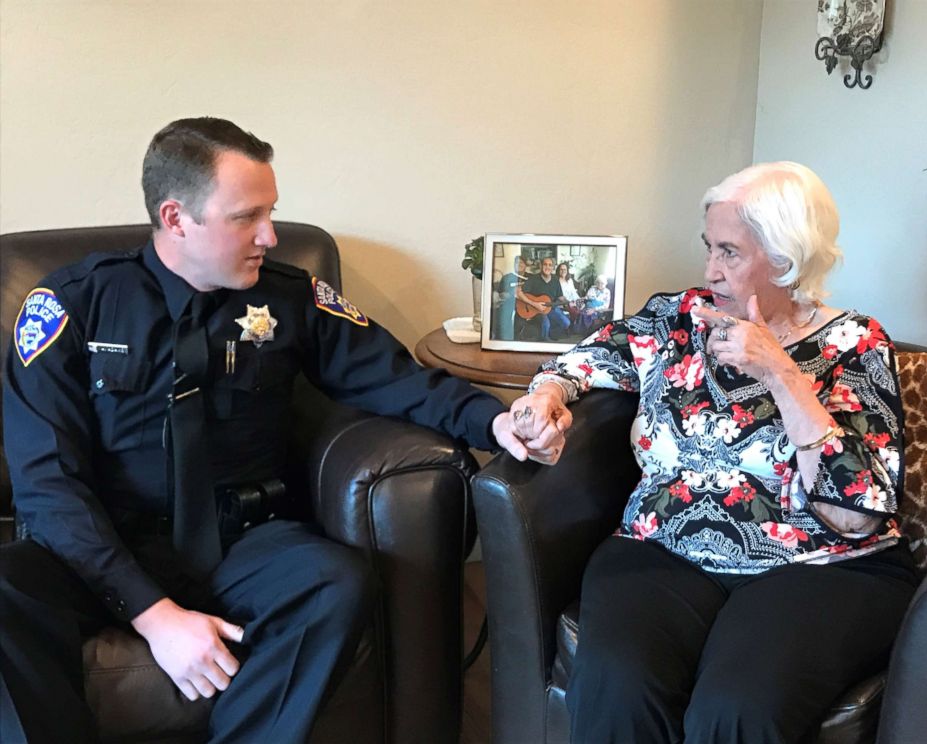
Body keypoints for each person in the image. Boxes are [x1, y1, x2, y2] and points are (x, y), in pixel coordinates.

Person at [0, 117, 544, 743]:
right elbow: (49, 483)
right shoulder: (69, 305)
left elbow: (393, 377)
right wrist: (153, 615)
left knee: (335, 584)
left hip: (241, 542)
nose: (270, 234)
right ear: (177, 219)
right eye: (246, 217)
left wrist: (495, 418)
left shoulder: (290, 298)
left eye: (271, 212)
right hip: (107, 543)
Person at [497, 162, 919, 743]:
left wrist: (780, 372)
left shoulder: (855, 345)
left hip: (818, 567)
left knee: (735, 709)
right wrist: (545, 397)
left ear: (785, 258)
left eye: (729, 253)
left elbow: (856, 513)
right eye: (708, 248)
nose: (709, 270)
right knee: (618, 683)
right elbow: (582, 360)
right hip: (662, 545)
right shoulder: (677, 318)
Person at [517, 257, 571, 341]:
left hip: (551, 308)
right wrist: (534, 304)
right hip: (535, 309)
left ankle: (549, 335)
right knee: (546, 323)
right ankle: (545, 340)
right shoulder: (533, 278)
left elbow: (560, 296)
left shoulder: (555, 279)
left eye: (550, 265)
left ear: (553, 268)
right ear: (541, 266)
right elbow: (519, 293)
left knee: (566, 323)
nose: (547, 267)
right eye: (545, 264)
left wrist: (568, 301)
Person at [494, 256, 527, 340]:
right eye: (517, 262)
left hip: (525, 305)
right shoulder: (507, 278)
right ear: (513, 265)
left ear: (525, 265)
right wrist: (503, 295)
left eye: (521, 262)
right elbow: (499, 294)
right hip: (509, 305)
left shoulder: (531, 278)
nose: (519, 264)